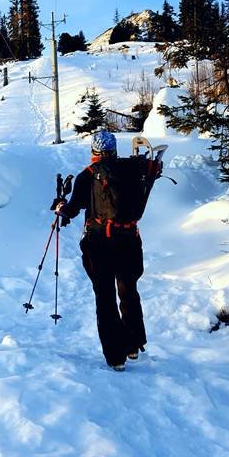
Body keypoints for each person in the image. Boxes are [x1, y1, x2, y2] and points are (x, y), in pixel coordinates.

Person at [54, 130, 152, 372]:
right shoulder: (133, 168)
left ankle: (116, 356)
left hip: (100, 244)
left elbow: (73, 209)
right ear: (115, 149)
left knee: (105, 297)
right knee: (128, 290)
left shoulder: (87, 176)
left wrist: (60, 207)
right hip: (130, 240)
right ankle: (132, 345)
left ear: (93, 151)